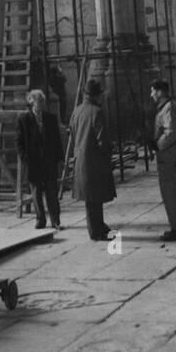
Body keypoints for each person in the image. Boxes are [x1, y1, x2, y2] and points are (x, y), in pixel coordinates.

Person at [69, 78, 116, 241]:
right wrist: (109, 153)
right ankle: (95, 231)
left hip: (81, 159)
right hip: (95, 161)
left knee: (92, 197)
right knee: (94, 197)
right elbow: (102, 139)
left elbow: (73, 135)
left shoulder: (77, 111)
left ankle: (99, 225)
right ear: (96, 95)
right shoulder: (97, 112)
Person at [16, 88, 64, 230]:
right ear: (32, 102)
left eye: (43, 101)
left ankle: (55, 220)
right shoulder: (24, 119)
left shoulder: (51, 118)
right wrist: (25, 158)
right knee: (36, 193)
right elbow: (19, 142)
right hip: (34, 162)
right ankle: (40, 219)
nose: (42, 104)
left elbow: (57, 140)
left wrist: (59, 158)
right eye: (39, 101)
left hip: (49, 161)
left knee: (52, 192)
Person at [151, 80, 176, 241]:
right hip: (170, 154)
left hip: (170, 155)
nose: (151, 95)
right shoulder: (168, 107)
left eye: (153, 91)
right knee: (171, 192)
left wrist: (157, 145)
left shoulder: (169, 107)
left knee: (172, 193)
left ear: (160, 92)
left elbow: (172, 132)